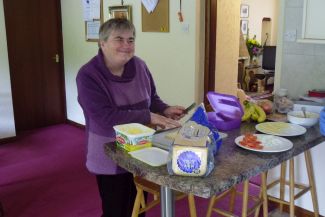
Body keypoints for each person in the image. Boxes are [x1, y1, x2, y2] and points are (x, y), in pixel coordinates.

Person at [76, 18, 185, 217]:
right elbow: (104, 116)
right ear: (102, 43)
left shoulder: (140, 66)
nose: (127, 45)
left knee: (138, 206)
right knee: (116, 209)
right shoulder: (88, 75)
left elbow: (151, 99)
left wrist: (166, 109)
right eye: (119, 39)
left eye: (131, 40)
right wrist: (148, 116)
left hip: (142, 148)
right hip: (110, 152)